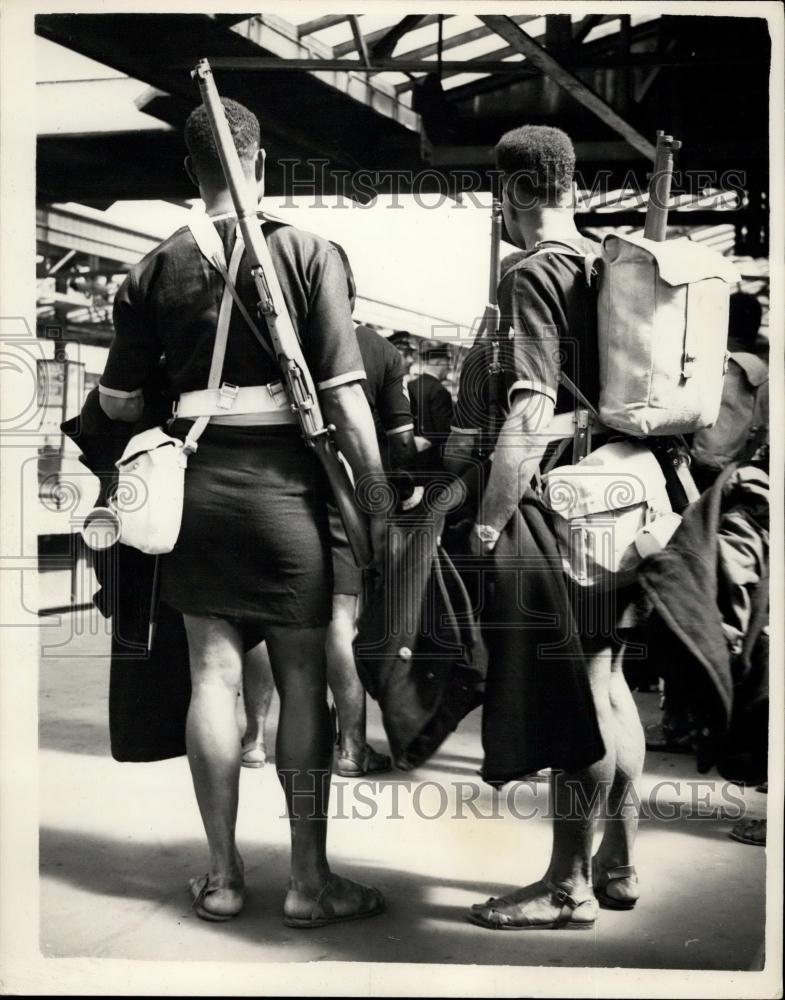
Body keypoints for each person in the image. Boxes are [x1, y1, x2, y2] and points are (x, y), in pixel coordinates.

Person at [98, 97, 386, 927]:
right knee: (303, 686)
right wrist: (377, 513)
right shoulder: (307, 252)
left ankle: (222, 879)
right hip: (288, 496)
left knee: (213, 681)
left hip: (198, 495)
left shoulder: (155, 266)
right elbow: (347, 405)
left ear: (191, 170)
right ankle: (309, 883)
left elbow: (118, 403)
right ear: (260, 161)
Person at [456, 125, 644, 929]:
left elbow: (528, 412)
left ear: (517, 191)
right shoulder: (604, 267)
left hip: (569, 505)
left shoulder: (531, 273)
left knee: (578, 694)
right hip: (629, 496)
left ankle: (566, 885)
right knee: (609, 680)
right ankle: (619, 862)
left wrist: (490, 523)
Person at [241, 244, 419, 778]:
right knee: (342, 618)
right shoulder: (382, 352)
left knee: (263, 617)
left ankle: (253, 739)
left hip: (273, 490)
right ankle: (351, 748)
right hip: (346, 495)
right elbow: (401, 443)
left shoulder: (271, 339)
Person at [690, 290, 769, 492]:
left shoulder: (702, 361)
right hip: (730, 471)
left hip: (690, 461)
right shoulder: (761, 374)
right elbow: (761, 428)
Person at [408, 341, 454, 476]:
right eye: (447, 363)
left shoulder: (410, 386)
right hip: (431, 464)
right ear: (439, 363)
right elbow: (445, 433)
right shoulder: (440, 391)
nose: (449, 367)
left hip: (409, 459)